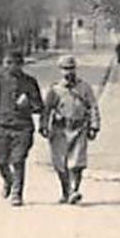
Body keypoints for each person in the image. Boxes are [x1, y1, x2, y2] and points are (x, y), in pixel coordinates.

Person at [0, 50, 44, 207]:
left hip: (22, 128)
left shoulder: (30, 82)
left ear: (21, 64)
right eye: (8, 63)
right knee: (1, 161)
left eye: (15, 63)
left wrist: (28, 103)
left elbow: (39, 106)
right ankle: (8, 181)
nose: (11, 66)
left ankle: (17, 193)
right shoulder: (0, 81)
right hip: (2, 127)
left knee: (18, 160)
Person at [41, 54, 101, 205]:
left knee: (77, 163)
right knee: (60, 163)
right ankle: (65, 191)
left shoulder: (84, 87)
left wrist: (94, 126)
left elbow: (93, 106)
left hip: (79, 127)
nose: (68, 72)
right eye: (65, 69)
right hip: (60, 129)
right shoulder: (55, 89)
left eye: (71, 68)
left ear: (75, 69)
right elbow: (47, 109)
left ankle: (74, 190)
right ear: (60, 70)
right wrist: (43, 126)